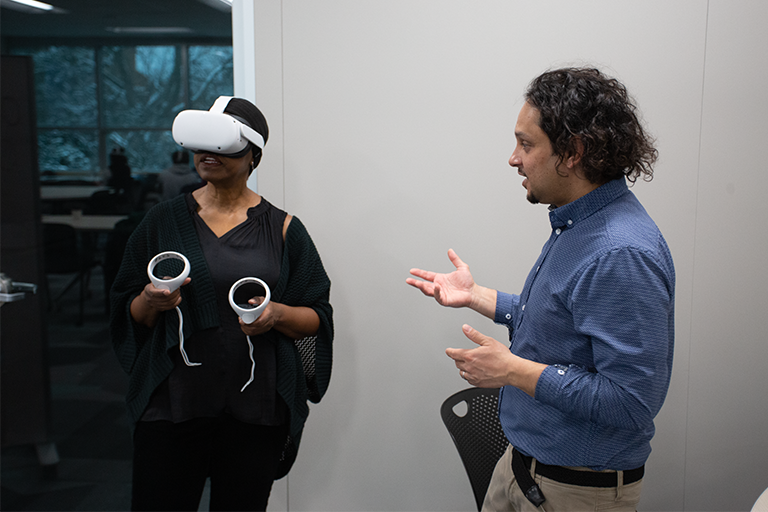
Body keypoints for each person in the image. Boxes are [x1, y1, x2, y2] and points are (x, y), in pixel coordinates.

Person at [407, 67, 674, 512]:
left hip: (573, 491)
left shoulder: (620, 252)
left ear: (573, 152)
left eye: (527, 145)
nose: (514, 158)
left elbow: (630, 401)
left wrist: (512, 371)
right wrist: (478, 297)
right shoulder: (579, 222)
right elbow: (563, 321)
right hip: (521, 466)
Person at [110, 97, 333, 512]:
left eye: (222, 146)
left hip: (254, 408)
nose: (207, 155)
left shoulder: (283, 229)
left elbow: (316, 316)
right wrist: (150, 299)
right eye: (201, 146)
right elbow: (129, 313)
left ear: (253, 157)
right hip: (172, 404)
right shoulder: (162, 221)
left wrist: (276, 315)